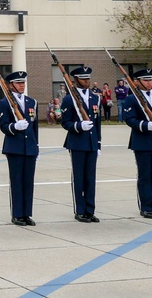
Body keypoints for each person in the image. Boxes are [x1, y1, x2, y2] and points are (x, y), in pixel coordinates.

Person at [122, 68, 152, 219]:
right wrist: (145, 125)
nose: (150, 83)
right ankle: (145, 207)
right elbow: (129, 119)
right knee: (145, 176)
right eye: (146, 80)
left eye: (151, 80)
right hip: (142, 142)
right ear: (137, 82)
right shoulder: (131, 99)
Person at [0, 71, 39, 226]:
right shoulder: (4, 102)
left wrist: (36, 146)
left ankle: (27, 214)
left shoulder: (31, 102)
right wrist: (15, 127)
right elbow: (3, 126)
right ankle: (17, 214)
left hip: (30, 147)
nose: (22, 85)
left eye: (23, 82)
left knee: (28, 182)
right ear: (11, 85)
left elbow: (35, 128)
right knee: (17, 182)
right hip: (14, 147)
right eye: (18, 83)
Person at [61, 66, 102, 223]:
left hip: (91, 143)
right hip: (77, 143)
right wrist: (78, 126)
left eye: (88, 78)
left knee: (90, 178)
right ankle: (80, 211)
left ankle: (90, 210)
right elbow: (65, 123)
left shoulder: (95, 98)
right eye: (83, 79)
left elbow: (97, 124)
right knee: (79, 178)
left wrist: (98, 144)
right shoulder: (68, 99)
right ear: (76, 80)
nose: (87, 81)